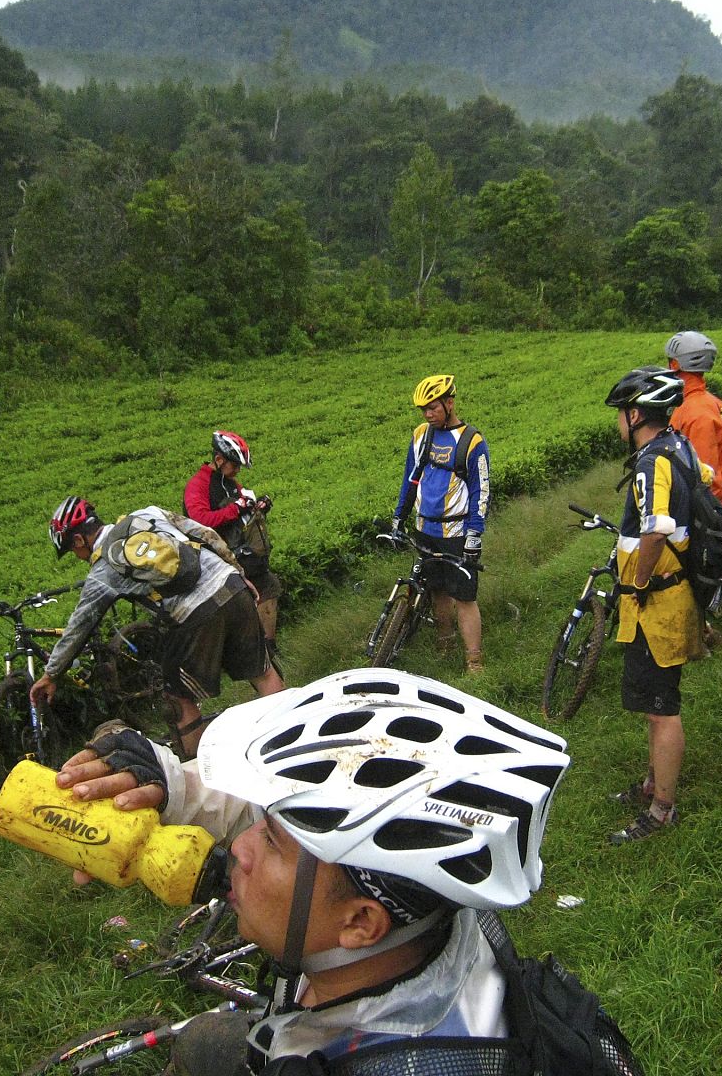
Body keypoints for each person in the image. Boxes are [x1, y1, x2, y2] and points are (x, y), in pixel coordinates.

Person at [55, 668, 573, 1075]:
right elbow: (317, 827)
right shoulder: (422, 908)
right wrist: (172, 784)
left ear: (360, 924)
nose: (239, 848)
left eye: (273, 842)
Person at [36, 495, 284, 757]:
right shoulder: (148, 513)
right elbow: (206, 534)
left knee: (177, 698)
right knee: (262, 671)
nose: (76, 556)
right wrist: (239, 574)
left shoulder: (102, 572)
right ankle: (292, 734)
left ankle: (202, 771)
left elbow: (79, 624)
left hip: (196, 614)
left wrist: (51, 674)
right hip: (231, 585)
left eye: (73, 550)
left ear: (78, 540)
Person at [602, 367, 710, 844]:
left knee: (663, 709)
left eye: (620, 415)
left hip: (659, 600)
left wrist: (638, 583)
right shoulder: (678, 444)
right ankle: (650, 783)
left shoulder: (650, 461)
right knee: (652, 704)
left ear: (636, 413)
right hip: (676, 591)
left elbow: (655, 528)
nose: (617, 424)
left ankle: (662, 808)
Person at [393, 374, 491, 674]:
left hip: (457, 532)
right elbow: (411, 478)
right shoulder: (421, 435)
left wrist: (475, 535)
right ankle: (444, 644)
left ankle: (474, 661)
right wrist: (399, 515)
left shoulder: (472, 441)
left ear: (449, 403)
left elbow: (481, 491)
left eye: (433, 407)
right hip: (426, 528)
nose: (428, 414)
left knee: (464, 597)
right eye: (423, 409)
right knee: (437, 591)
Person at [185, 430, 281, 652]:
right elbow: (199, 521)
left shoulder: (229, 483)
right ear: (219, 460)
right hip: (213, 558)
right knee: (250, 596)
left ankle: (268, 647)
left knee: (269, 586)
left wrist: (258, 506)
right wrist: (235, 508)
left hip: (237, 552)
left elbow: (242, 512)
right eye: (234, 465)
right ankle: (255, 650)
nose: (237, 470)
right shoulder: (198, 486)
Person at [664, 330, 722, 527]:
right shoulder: (710, 403)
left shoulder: (696, 414)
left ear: (675, 365)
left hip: (716, 514)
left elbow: (704, 477)